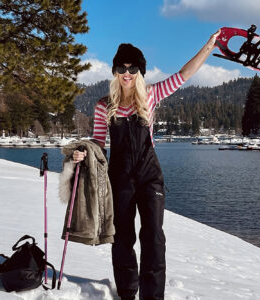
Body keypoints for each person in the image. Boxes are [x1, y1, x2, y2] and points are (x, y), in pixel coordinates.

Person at [73, 30, 220, 300]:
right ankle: (128, 293)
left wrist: (209, 47)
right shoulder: (104, 106)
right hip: (119, 178)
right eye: (121, 67)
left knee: (153, 236)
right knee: (123, 238)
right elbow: (97, 142)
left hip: (149, 175)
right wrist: (83, 152)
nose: (126, 73)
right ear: (115, 71)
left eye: (132, 68)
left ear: (140, 71)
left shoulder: (151, 96)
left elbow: (184, 74)